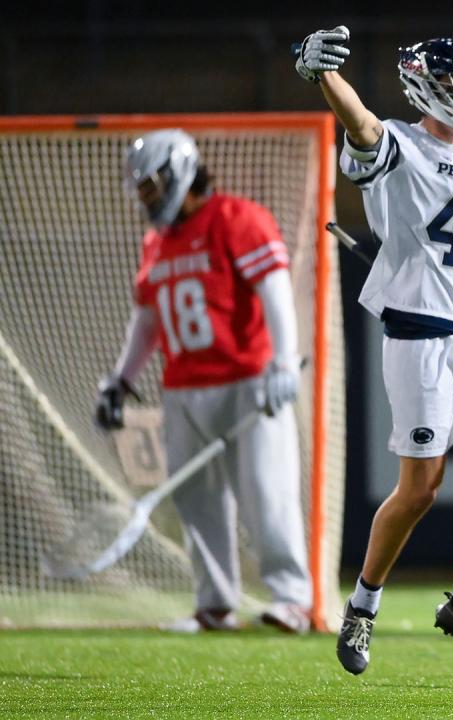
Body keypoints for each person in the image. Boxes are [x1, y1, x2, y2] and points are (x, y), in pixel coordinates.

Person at [295, 26, 453, 675]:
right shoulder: (401, 143)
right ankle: (363, 605)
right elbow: (363, 126)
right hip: (422, 332)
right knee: (421, 487)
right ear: (425, 87)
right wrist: (326, 76)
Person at [95, 129, 312, 634]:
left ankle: (292, 600)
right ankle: (214, 604)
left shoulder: (238, 218)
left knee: (267, 492)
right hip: (183, 387)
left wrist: (284, 361)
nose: (146, 198)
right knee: (196, 500)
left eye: (150, 186)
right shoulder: (157, 242)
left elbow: (275, 290)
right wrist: (120, 380)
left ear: (178, 172)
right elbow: (147, 320)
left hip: (247, 379)